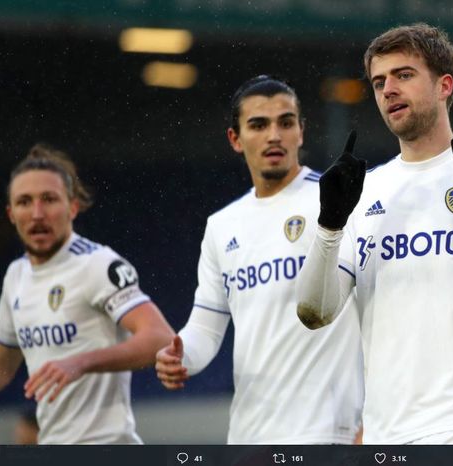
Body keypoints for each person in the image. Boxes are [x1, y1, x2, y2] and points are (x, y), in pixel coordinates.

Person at [295, 23, 453, 445]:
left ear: (444, 85)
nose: (388, 90)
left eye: (404, 75)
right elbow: (315, 313)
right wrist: (329, 226)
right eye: (379, 82)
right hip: (385, 435)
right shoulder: (365, 192)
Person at [154, 75, 363, 444]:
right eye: (258, 125)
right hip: (250, 437)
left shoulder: (339, 203)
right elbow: (205, 328)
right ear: (235, 139)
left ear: (301, 131)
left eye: (285, 122)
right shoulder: (222, 226)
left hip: (331, 434)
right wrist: (181, 355)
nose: (274, 135)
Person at [0, 144, 174, 444]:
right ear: (10, 213)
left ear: (72, 207)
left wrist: (81, 362)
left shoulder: (97, 264)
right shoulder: (16, 276)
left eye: (49, 199)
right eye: (24, 202)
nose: (37, 213)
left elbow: (161, 338)